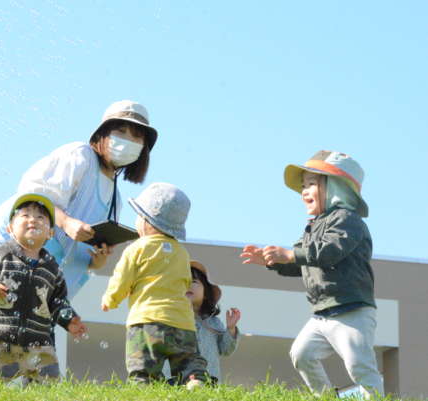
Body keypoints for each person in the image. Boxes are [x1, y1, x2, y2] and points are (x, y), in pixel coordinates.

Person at [0, 100, 158, 382]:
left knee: (32, 332)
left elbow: (87, 256)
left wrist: (99, 258)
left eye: (137, 137)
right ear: (102, 134)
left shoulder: (114, 197)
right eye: (121, 131)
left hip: (44, 273)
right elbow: (34, 193)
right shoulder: (79, 155)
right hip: (14, 253)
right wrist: (67, 222)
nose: (128, 141)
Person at [240, 150, 383, 398]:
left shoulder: (348, 220)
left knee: (358, 365)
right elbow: (304, 262)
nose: (304, 191)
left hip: (351, 310)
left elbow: (328, 252)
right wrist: (272, 261)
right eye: (303, 186)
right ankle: (325, 397)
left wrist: (289, 255)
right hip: (323, 312)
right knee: (302, 354)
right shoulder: (314, 225)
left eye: (311, 184)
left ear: (337, 187)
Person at [0, 193, 87, 385]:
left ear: (50, 233)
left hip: (39, 342)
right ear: (10, 229)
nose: (33, 219)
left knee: (49, 382)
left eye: (41, 217)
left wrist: (69, 319)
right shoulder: (0, 255)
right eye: (25, 215)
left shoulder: (52, 269)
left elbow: (58, 301)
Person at [101, 183, 208, 389]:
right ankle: (194, 379)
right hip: (183, 323)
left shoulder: (137, 248)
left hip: (146, 322)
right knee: (187, 361)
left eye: (139, 216)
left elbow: (121, 279)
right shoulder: (181, 252)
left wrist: (110, 300)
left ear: (147, 221)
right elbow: (185, 283)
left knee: (143, 373)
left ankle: (145, 391)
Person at [186, 260, 240, 383]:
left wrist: (230, 329)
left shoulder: (213, 323)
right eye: (183, 282)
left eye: (194, 282)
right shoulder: (171, 318)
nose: (188, 285)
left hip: (209, 378)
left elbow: (226, 349)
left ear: (206, 293)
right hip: (175, 380)